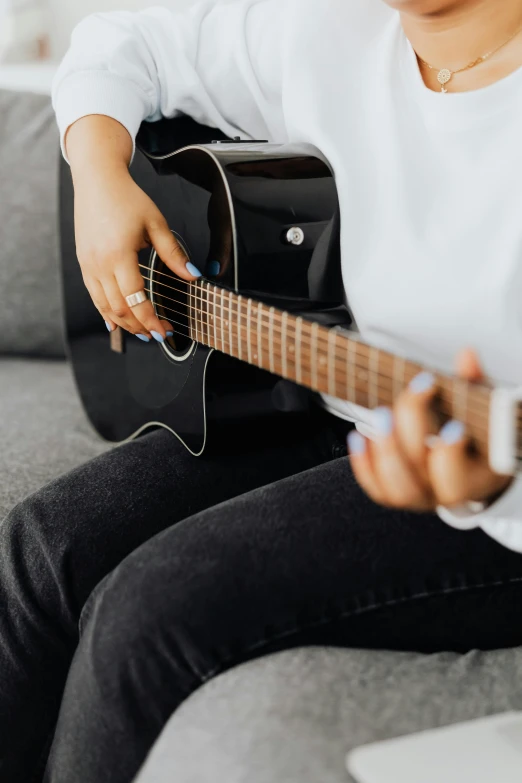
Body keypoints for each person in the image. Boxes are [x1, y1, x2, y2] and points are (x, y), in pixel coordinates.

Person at [1, 0, 522, 780]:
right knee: (41, 548)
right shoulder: (330, 32)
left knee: (144, 616)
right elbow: (122, 41)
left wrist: (498, 489)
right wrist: (101, 177)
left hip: (489, 503)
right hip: (335, 400)